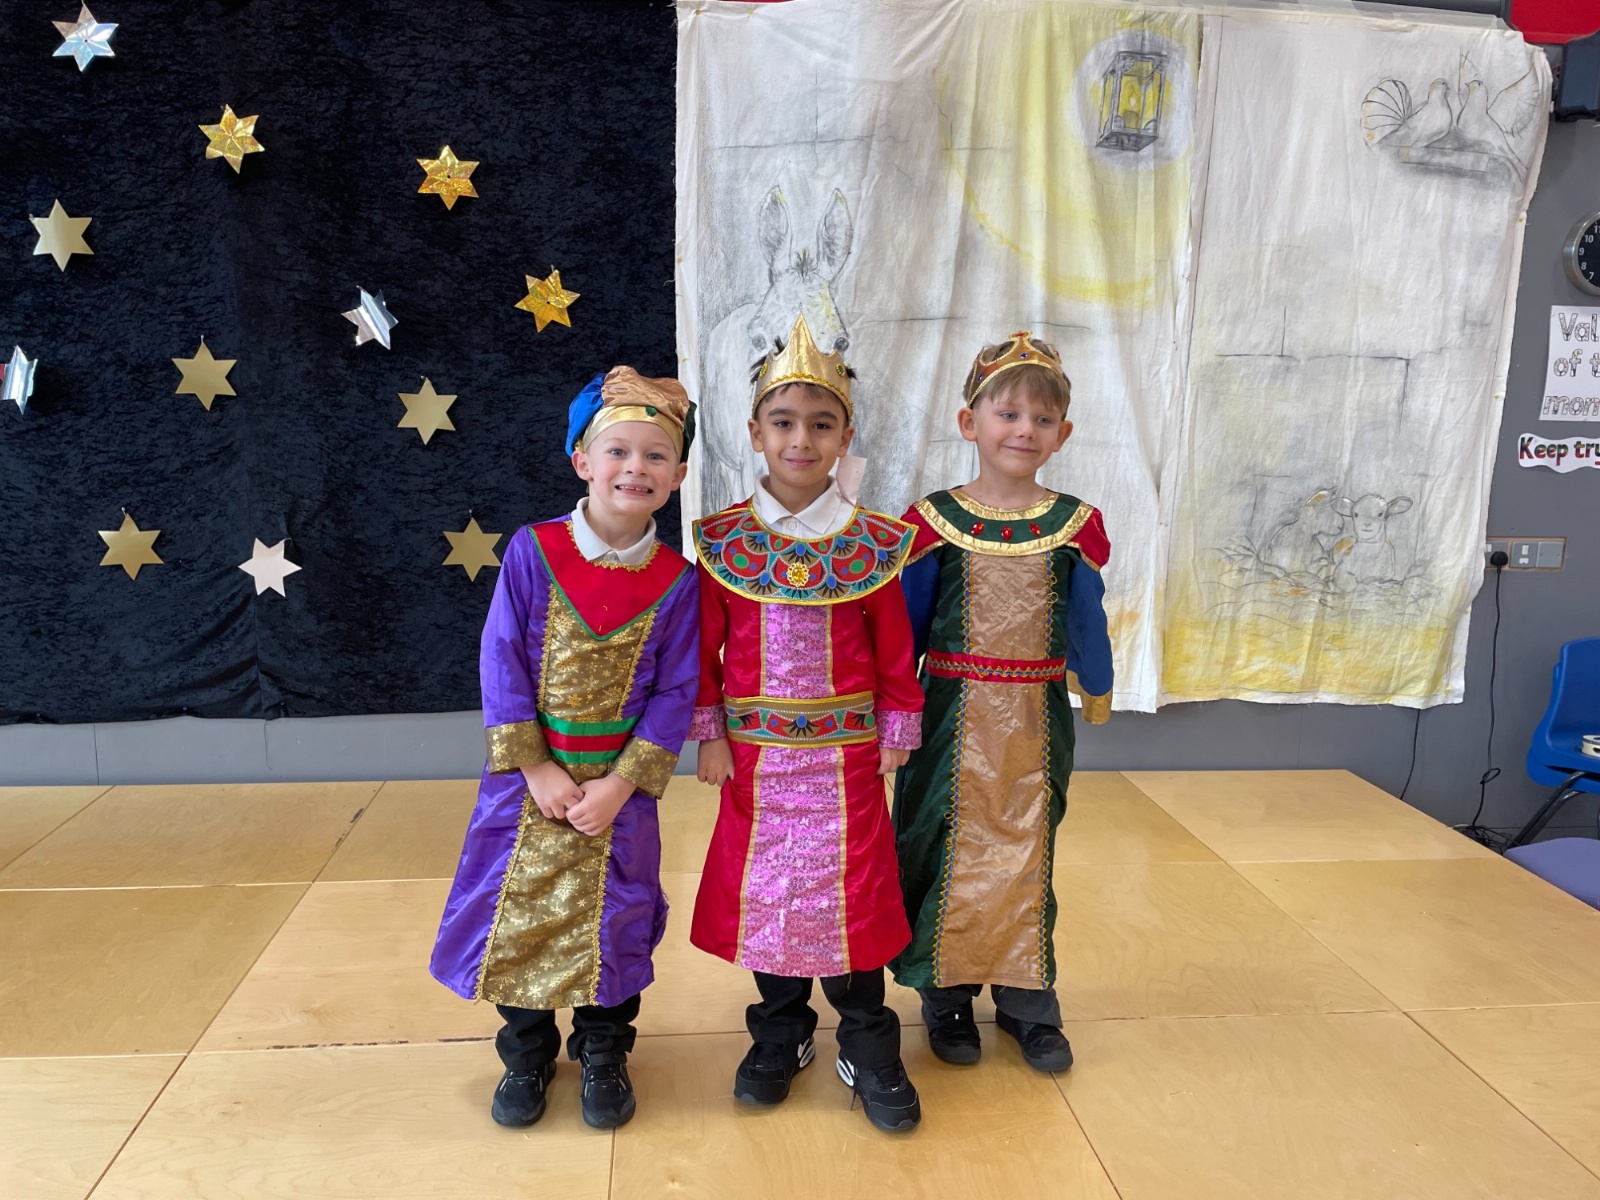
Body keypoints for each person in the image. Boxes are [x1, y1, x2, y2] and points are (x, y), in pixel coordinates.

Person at [430, 367, 699, 1130]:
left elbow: (676, 690)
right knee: (520, 916)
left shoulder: (678, 581)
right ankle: (526, 1053)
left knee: (616, 917)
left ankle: (605, 1049)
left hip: (618, 794)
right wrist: (536, 766)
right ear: (583, 460)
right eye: (618, 451)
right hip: (529, 787)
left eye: (656, 456)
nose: (636, 468)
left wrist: (622, 784)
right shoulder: (534, 551)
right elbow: (501, 658)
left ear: (678, 476)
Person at [688, 314, 925, 1132]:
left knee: (852, 895)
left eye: (821, 424)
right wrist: (710, 735)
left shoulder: (874, 545)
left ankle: (868, 1040)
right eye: (783, 422)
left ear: (844, 437)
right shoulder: (721, 542)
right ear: (755, 433)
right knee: (768, 896)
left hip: (846, 760)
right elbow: (703, 650)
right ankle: (780, 1032)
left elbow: (893, 649)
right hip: (756, 763)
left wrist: (897, 731)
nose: (801, 439)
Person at [892, 332, 1113, 1074]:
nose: (1024, 430)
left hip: (1034, 722)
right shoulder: (933, 521)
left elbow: (1086, 615)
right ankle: (946, 991)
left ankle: (1026, 997)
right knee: (940, 843)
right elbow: (905, 626)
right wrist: (893, 709)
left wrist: (1098, 681)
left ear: (1063, 434)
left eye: (1042, 419)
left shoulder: (1072, 524)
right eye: (1008, 414)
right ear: (970, 422)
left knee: (1027, 845)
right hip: (947, 717)